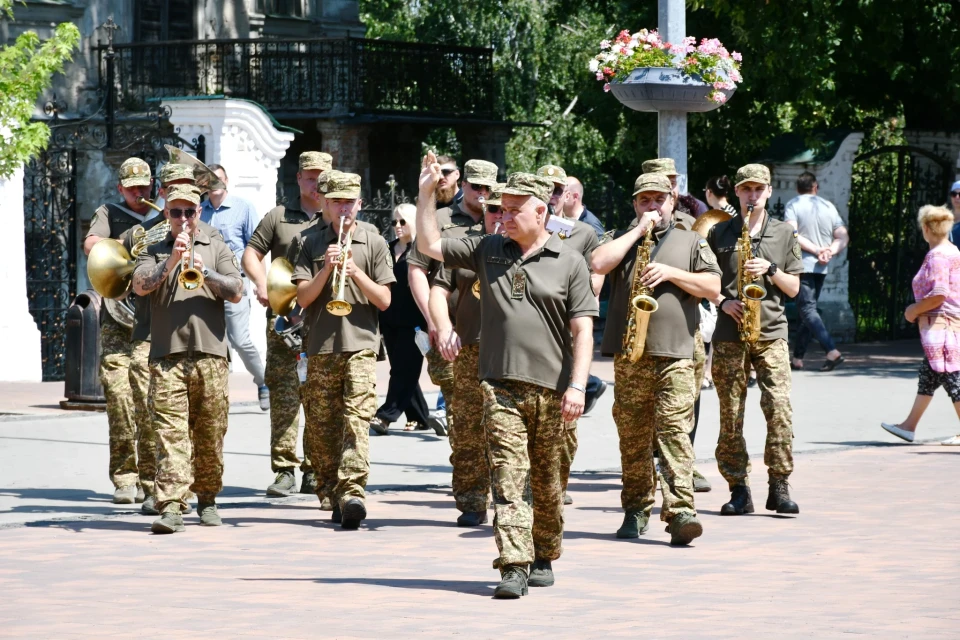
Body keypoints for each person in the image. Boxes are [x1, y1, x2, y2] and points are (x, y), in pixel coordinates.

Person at [416, 158, 598, 599]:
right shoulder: (487, 249)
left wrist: (577, 385)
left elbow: (583, 330)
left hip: (554, 392)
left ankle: (544, 552)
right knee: (509, 476)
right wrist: (425, 193)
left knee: (549, 483)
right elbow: (430, 244)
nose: (505, 215)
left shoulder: (570, 261)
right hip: (499, 386)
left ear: (542, 214)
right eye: (504, 207)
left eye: (516, 209)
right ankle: (513, 563)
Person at [592, 172, 721, 544]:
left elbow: (713, 287)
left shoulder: (691, 240)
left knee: (673, 430)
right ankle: (635, 507)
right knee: (632, 436)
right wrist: (636, 232)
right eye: (645, 200)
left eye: (659, 200)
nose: (653, 206)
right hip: (631, 355)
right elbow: (598, 264)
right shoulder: (621, 240)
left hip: (677, 353)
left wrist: (671, 273)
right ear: (635, 204)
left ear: (672, 201)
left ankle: (681, 511)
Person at [132, 184, 244, 533]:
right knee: (170, 434)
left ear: (199, 212)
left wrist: (205, 271)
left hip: (211, 354)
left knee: (210, 433)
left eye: (189, 212)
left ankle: (207, 498)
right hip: (167, 354)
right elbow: (140, 285)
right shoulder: (152, 244)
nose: (183, 219)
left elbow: (237, 291)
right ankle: (171, 505)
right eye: (175, 211)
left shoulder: (216, 243)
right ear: (166, 211)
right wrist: (172, 262)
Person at [293, 172, 394, 529]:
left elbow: (384, 300)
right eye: (337, 201)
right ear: (325, 203)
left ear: (360, 204)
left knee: (357, 419)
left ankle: (352, 491)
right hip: (320, 347)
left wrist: (354, 272)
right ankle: (332, 489)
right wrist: (325, 269)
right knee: (322, 429)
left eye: (350, 202)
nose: (344, 208)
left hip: (361, 346)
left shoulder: (374, 241)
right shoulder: (309, 241)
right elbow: (302, 299)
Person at [707, 164, 803, 516]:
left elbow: (794, 288)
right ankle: (738, 488)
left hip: (771, 331)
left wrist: (771, 270)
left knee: (779, 408)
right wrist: (722, 300)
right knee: (730, 413)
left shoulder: (783, 232)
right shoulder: (719, 232)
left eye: (759, 189)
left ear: (769, 191)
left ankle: (779, 485)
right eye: (746, 189)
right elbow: (704, 281)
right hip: (731, 332)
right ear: (737, 192)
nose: (752, 195)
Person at [124, 162, 216, 516]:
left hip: (195, 335)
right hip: (152, 331)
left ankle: (192, 488)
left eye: (189, 191)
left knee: (199, 421)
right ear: (162, 195)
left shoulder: (208, 234)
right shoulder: (144, 236)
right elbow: (129, 281)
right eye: (174, 190)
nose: (183, 207)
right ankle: (155, 487)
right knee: (156, 418)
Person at [242, 151, 331, 497]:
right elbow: (251, 253)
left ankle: (315, 467)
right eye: (309, 176)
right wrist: (261, 284)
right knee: (284, 396)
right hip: (283, 320)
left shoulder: (335, 217)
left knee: (319, 396)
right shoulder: (278, 217)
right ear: (298, 179)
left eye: (322, 176)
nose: (316, 183)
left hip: (323, 320)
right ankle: (284, 470)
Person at [83, 157, 159, 505]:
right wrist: (122, 246)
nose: (139, 194)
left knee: (149, 401)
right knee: (119, 398)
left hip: (152, 318)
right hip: (117, 315)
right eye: (132, 189)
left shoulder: (164, 213)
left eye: (144, 186)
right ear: (120, 189)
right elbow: (91, 245)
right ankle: (124, 477)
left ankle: (151, 477)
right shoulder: (110, 212)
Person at [429, 184, 505, 526]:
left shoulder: (532, 247)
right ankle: (472, 499)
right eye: (494, 210)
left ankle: (509, 495)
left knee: (507, 428)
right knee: (468, 426)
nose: (500, 217)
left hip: (511, 351)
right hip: (470, 346)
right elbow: (438, 289)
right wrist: (444, 328)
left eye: (508, 210)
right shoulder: (467, 243)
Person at [407, 159, 499, 437]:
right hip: (451, 330)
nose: (481, 193)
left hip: (491, 331)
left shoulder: (500, 219)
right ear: (464, 183)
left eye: (487, 188)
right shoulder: (440, 220)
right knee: (460, 411)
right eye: (476, 186)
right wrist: (434, 321)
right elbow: (417, 270)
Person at [537, 164, 604, 507]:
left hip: (565, 335)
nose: (551, 196)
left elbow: (597, 276)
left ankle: (557, 485)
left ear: (567, 195)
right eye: (546, 189)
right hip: (533, 336)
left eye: (557, 190)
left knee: (565, 424)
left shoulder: (583, 233)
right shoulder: (522, 227)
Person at [882, 206, 960, 446]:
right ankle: (909, 426)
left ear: (926, 228)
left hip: (941, 327)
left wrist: (912, 311)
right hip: (946, 325)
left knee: (951, 377)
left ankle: (909, 426)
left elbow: (939, 293)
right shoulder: (952, 250)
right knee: (929, 376)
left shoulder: (937, 256)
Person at [201, 163, 269, 408]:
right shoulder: (198, 211)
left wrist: (261, 282)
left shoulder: (243, 208)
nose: (215, 184)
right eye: (210, 180)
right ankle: (215, 394)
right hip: (204, 285)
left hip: (234, 284)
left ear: (226, 181)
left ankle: (263, 380)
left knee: (239, 340)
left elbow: (258, 249)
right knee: (209, 342)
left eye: (219, 179)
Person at [371, 203, 435, 434]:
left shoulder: (423, 250)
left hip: (415, 320)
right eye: (393, 222)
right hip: (389, 318)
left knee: (403, 369)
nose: (397, 226)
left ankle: (386, 415)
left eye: (402, 222)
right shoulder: (387, 248)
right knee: (401, 368)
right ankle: (419, 416)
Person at [784, 171, 849, 371]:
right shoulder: (828, 206)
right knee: (808, 309)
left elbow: (791, 234)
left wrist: (816, 250)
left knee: (807, 309)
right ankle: (797, 358)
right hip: (821, 267)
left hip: (801, 265)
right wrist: (830, 250)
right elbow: (842, 236)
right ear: (816, 187)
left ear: (797, 188)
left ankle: (831, 350)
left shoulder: (793, 204)